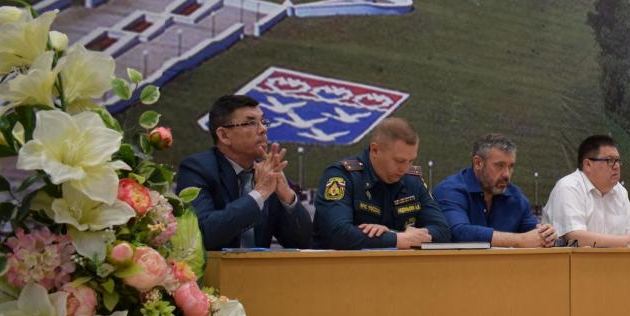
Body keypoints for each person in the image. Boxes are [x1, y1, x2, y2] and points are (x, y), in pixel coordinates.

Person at [177, 94, 312, 251]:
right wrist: (259, 194)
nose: (263, 129)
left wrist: (287, 197)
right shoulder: (197, 169)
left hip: (257, 266)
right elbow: (202, 234)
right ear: (224, 135)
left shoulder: (266, 174)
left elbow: (303, 243)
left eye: (263, 122)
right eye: (251, 123)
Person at [313, 117, 450, 249]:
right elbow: (338, 233)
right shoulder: (342, 176)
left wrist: (397, 235)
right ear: (375, 150)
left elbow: (442, 230)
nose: (405, 168)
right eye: (400, 161)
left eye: (411, 161)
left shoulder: (412, 180)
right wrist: (396, 239)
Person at [542, 134, 630, 247]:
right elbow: (575, 238)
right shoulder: (569, 187)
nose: (616, 166)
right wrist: (628, 240)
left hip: (612, 264)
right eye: (610, 160)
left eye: (618, 161)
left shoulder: (620, 191)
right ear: (588, 165)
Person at [432, 134, 557, 247]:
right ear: (478, 163)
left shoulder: (516, 197)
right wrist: (519, 240)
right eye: (500, 166)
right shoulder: (449, 191)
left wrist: (547, 236)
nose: (506, 174)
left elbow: (534, 235)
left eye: (511, 167)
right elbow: (459, 232)